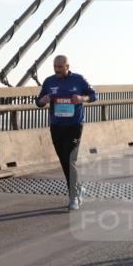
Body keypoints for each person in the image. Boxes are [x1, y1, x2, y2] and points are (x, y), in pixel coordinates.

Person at [36, 55, 97, 210]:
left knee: (70, 160)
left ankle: (73, 197)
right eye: (55, 67)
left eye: (60, 67)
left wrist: (82, 98)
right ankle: (78, 188)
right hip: (56, 126)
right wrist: (43, 101)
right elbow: (39, 101)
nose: (57, 70)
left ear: (67, 66)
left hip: (74, 126)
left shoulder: (78, 80)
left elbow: (94, 96)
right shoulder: (49, 81)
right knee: (64, 161)